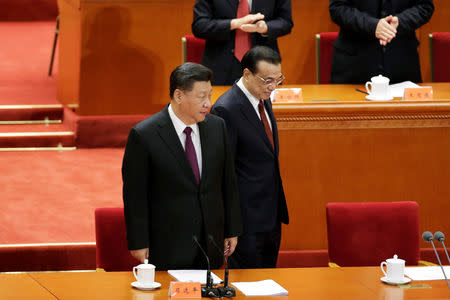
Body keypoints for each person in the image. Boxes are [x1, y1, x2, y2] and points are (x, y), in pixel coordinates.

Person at [122, 62, 242, 270]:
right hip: (167, 244)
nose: (208, 103)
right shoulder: (144, 135)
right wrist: (138, 242)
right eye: (201, 97)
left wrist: (232, 229)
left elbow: (228, 182)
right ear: (179, 96)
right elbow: (135, 195)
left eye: (210, 95)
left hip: (210, 242)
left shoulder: (217, 127)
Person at [210, 46, 288, 268]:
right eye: (267, 81)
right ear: (246, 74)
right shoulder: (226, 109)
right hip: (246, 221)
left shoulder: (262, 97)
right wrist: (231, 226)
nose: (273, 87)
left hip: (270, 215)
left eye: (278, 80)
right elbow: (223, 173)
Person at [329, 0, 434, 84]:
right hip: (353, 66)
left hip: (402, 63)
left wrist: (400, 22)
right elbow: (338, 7)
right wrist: (372, 26)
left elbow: (425, 6)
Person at [192, 0, 293, 85]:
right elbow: (199, 26)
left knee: (264, 107)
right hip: (220, 65)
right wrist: (234, 23)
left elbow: (286, 22)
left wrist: (265, 28)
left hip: (264, 64)